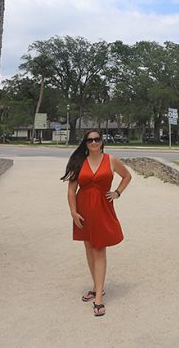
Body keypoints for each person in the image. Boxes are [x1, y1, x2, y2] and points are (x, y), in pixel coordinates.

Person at [61, 129, 131, 317]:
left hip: (102, 209)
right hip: (83, 210)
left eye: (97, 139)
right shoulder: (78, 162)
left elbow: (127, 176)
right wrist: (73, 212)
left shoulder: (111, 160)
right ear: (85, 143)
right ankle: (96, 286)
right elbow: (71, 190)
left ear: (102, 142)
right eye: (90, 140)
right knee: (89, 248)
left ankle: (99, 297)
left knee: (99, 248)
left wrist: (117, 192)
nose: (93, 142)